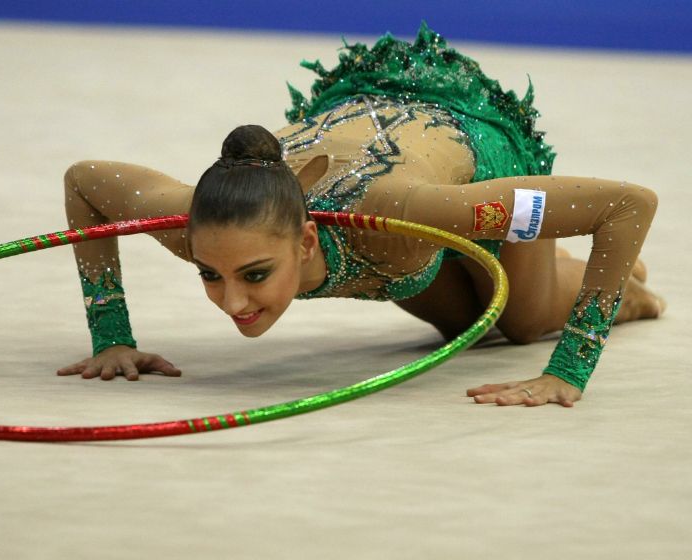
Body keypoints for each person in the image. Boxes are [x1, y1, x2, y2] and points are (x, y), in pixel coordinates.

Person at [56, 24, 662, 407]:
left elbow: (627, 205)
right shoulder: (200, 226)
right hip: (372, 150)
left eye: (256, 274)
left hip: (470, 152)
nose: (232, 301)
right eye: (210, 275)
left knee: (521, 322)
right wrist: (112, 337)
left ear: (305, 240)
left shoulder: (400, 221)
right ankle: (564, 271)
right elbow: (85, 182)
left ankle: (628, 291)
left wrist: (569, 369)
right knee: (464, 325)